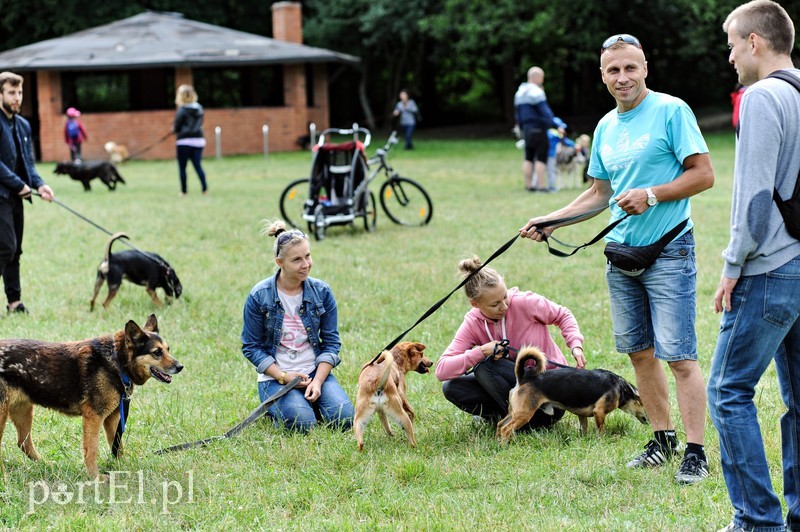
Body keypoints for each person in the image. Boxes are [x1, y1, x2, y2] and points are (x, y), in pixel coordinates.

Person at [519, 34, 715, 484]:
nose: (622, 77)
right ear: (603, 76)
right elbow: (598, 194)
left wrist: (652, 194)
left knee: (680, 357)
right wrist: (551, 220)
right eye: (613, 70)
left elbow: (703, 174)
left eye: (630, 68)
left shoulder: (671, 110)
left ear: (645, 67)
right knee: (640, 356)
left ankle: (695, 452)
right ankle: (661, 440)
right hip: (621, 257)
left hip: (669, 249)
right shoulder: (607, 127)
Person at [708, 2, 800, 530]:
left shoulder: (762, 97)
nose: (730, 55)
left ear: (756, 43)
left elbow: (755, 194)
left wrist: (732, 263)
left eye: (732, 44)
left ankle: (757, 522)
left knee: (728, 390)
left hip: (771, 268)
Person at [435, 256, 586, 428]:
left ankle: (530, 420)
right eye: (495, 304)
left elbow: (562, 315)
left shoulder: (524, 302)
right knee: (452, 387)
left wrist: (575, 345)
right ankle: (509, 419)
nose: (504, 306)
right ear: (474, 303)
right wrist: (481, 352)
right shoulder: (472, 323)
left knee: (487, 367)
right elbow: (442, 370)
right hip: (515, 387)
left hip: (548, 392)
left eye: (505, 297)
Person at [241, 220, 354, 433]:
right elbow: (251, 347)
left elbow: (331, 343)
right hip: (276, 377)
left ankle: (305, 403)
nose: (306, 264)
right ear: (280, 262)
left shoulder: (322, 292)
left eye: (308, 256)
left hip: (314, 371)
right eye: (297, 260)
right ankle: (285, 408)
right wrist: (283, 377)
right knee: (302, 425)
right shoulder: (259, 295)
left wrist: (318, 381)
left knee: (345, 419)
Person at [0, 72, 55, 315]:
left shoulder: (22, 124)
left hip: (16, 196)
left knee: (16, 251)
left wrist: (40, 184)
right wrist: (19, 184)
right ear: (0, 94)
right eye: (11, 93)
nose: (17, 98)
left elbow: (28, 164)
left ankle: (14, 302)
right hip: (2, 194)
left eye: (19, 92)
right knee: (6, 247)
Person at [514, 66, 564, 192]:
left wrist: (521, 128)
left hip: (526, 129)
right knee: (541, 157)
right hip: (538, 129)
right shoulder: (536, 92)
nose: (542, 81)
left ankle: (529, 185)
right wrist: (555, 124)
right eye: (542, 78)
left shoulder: (519, 92)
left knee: (528, 157)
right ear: (536, 77)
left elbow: (518, 115)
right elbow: (545, 112)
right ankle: (541, 186)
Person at [172, 84, 208, 196]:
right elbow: (200, 123)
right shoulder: (199, 108)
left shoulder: (182, 110)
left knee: (182, 167)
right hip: (198, 140)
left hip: (183, 141)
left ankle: (184, 191)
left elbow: (177, 127)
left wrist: (174, 129)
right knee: (198, 165)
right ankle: (204, 189)